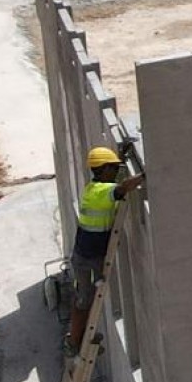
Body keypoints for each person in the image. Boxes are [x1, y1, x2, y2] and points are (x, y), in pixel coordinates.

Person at [65, 144, 142, 354]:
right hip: (87, 258)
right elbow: (122, 187)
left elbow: (116, 183)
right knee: (83, 300)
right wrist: (147, 172)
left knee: (85, 298)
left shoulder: (93, 187)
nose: (116, 171)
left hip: (88, 254)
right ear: (104, 169)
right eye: (113, 168)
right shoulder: (101, 192)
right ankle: (75, 344)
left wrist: (120, 157)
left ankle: (79, 339)